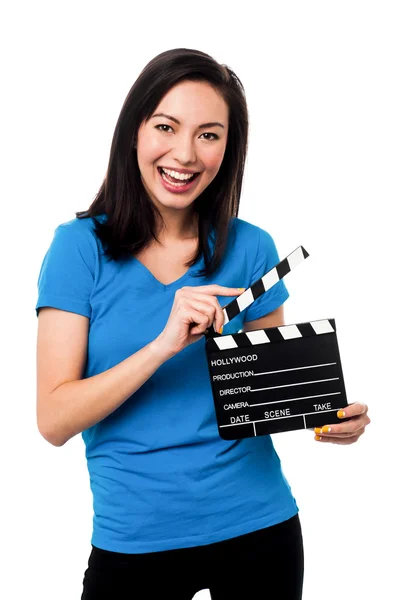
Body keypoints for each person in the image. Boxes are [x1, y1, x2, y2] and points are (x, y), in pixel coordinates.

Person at [35, 48, 371, 600]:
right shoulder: (77, 250)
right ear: (134, 132)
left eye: (209, 135)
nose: (185, 154)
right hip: (134, 541)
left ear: (228, 148)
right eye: (166, 126)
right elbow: (53, 420)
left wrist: (324, 418)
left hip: (260, 528)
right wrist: (162, 346)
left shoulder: (251, 248)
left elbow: (263, 400)